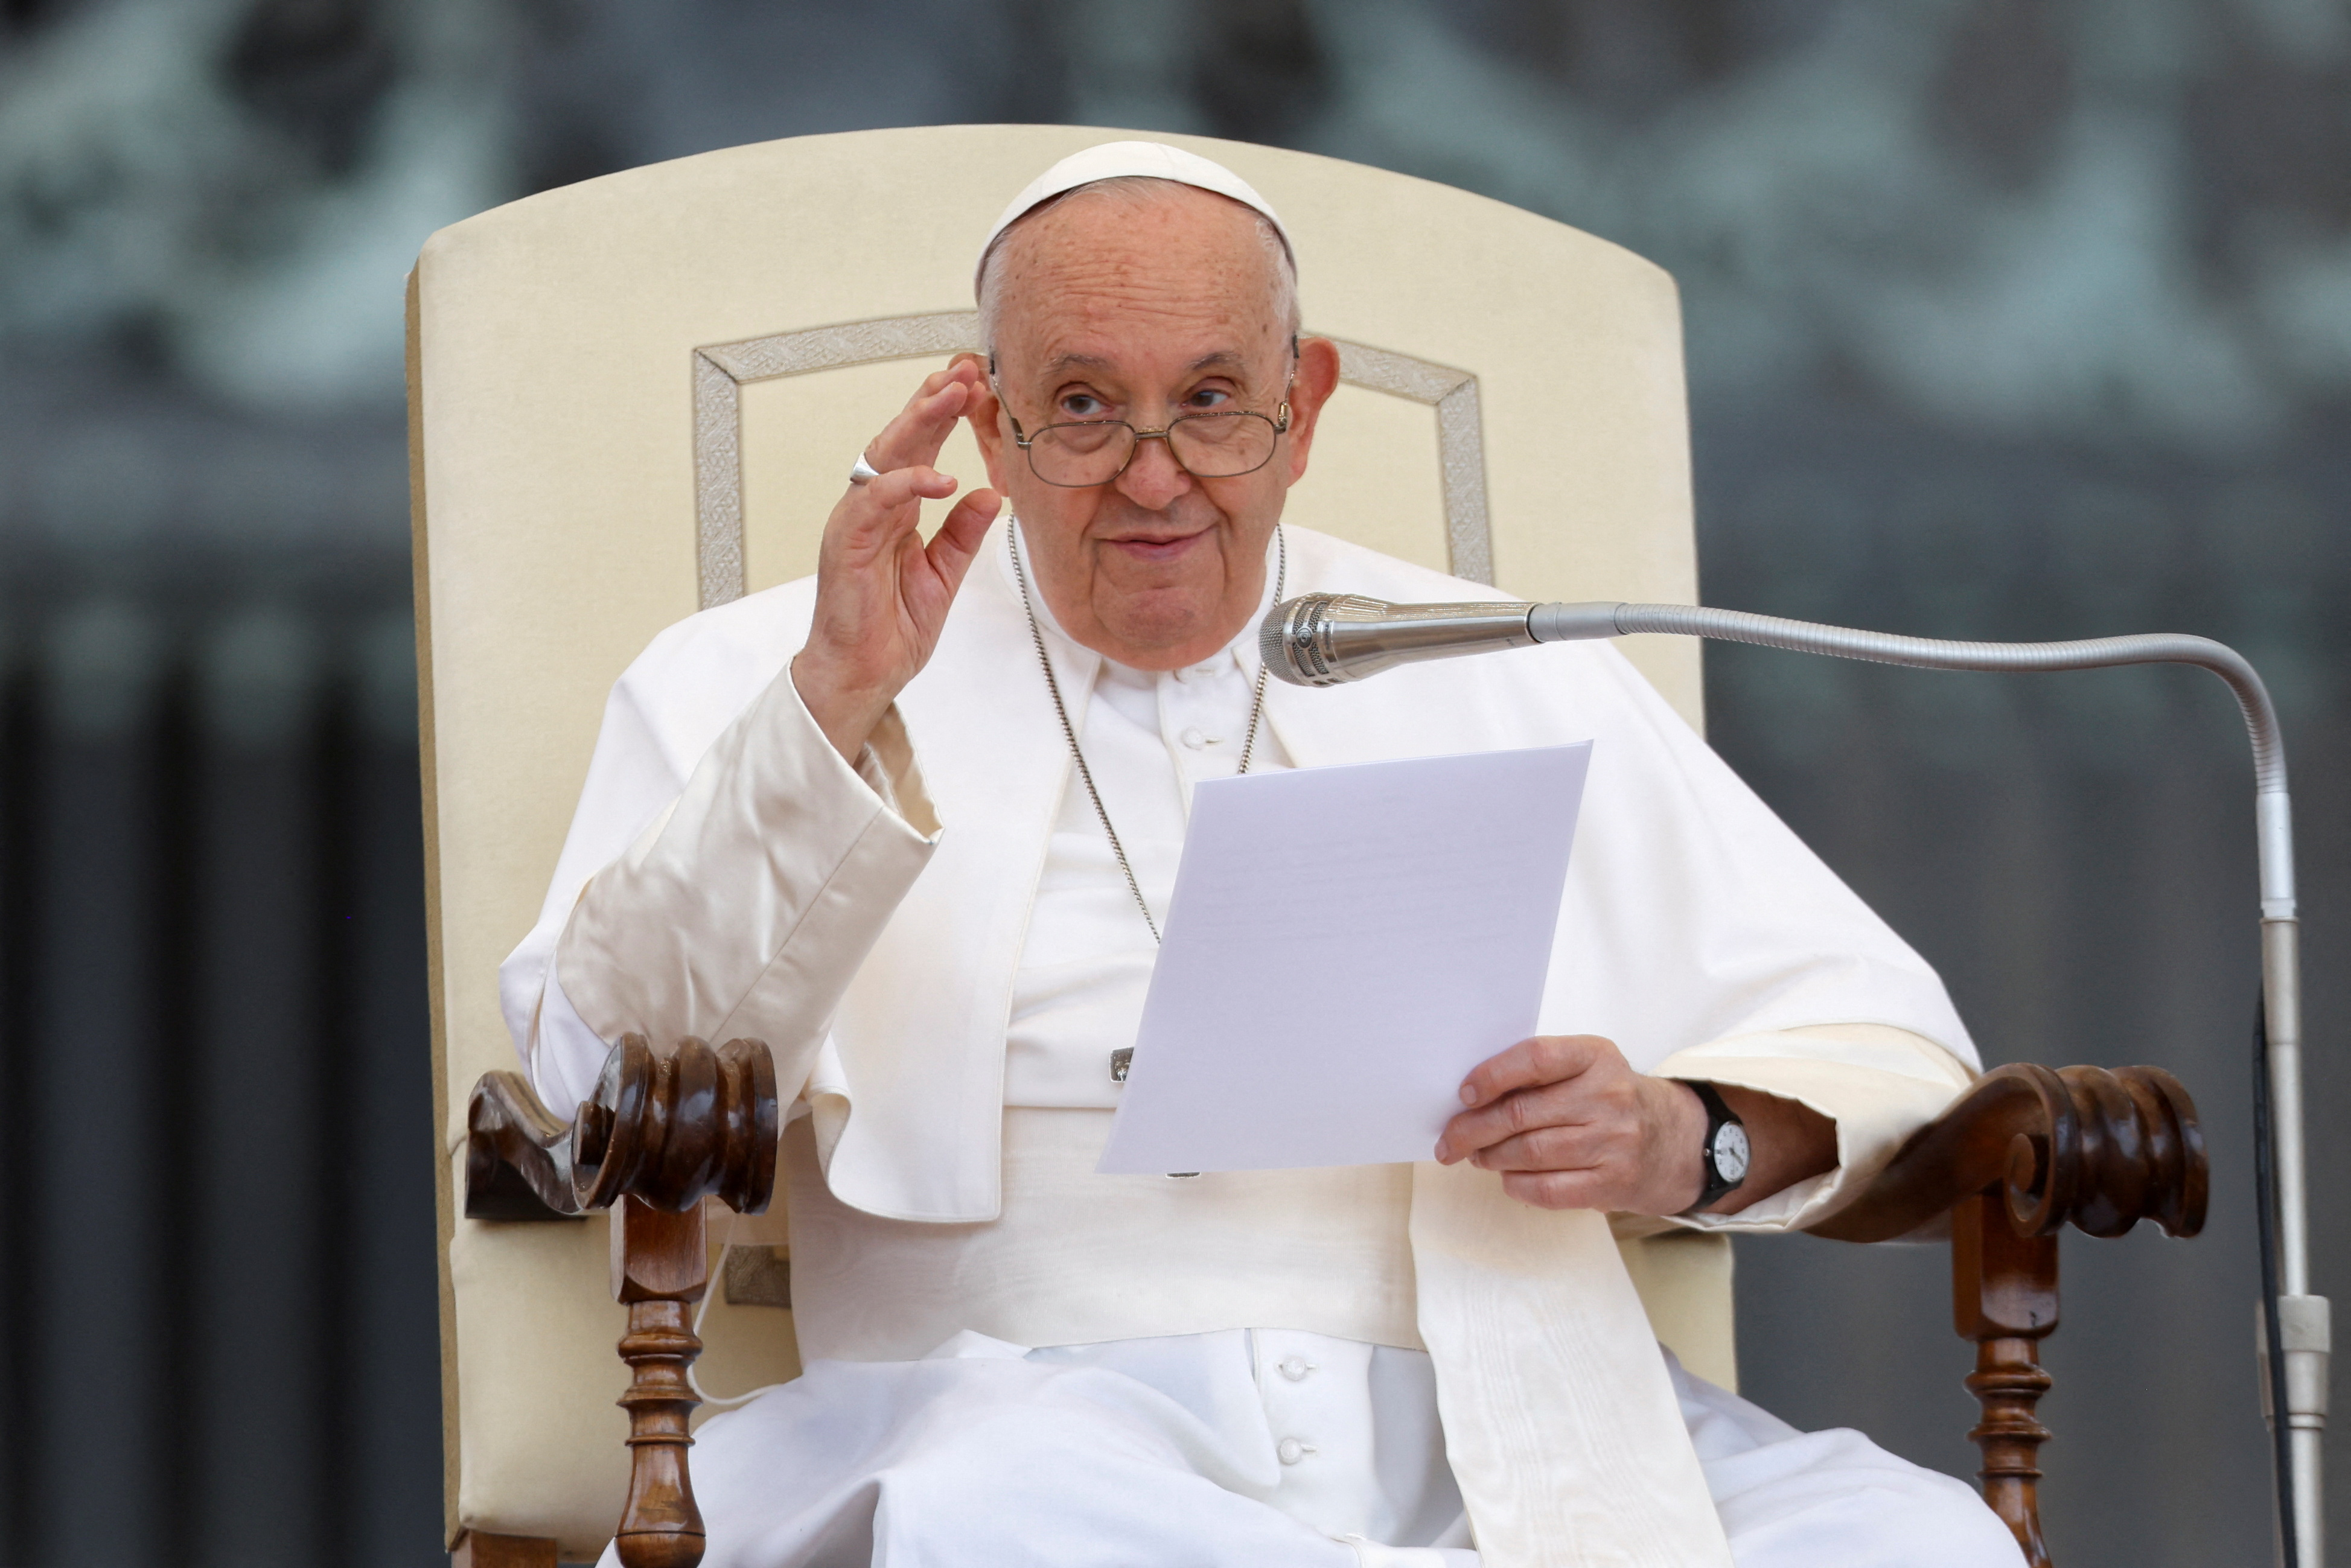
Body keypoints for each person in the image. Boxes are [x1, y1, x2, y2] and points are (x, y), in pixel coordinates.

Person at [502, 142, 2027, 1568]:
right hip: (1020, 1414)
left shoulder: (1497, 660)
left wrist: (1684, 1133)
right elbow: (592, 1070)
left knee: (1919, 1541)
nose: (1155, 477)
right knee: (999, 1518)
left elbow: (1885, 1040)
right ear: (991, 425)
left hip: (1503, 1414)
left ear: (1305, 402)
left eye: (1213, 401)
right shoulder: (787, 662)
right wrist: (832, 709)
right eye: (1085, 406)